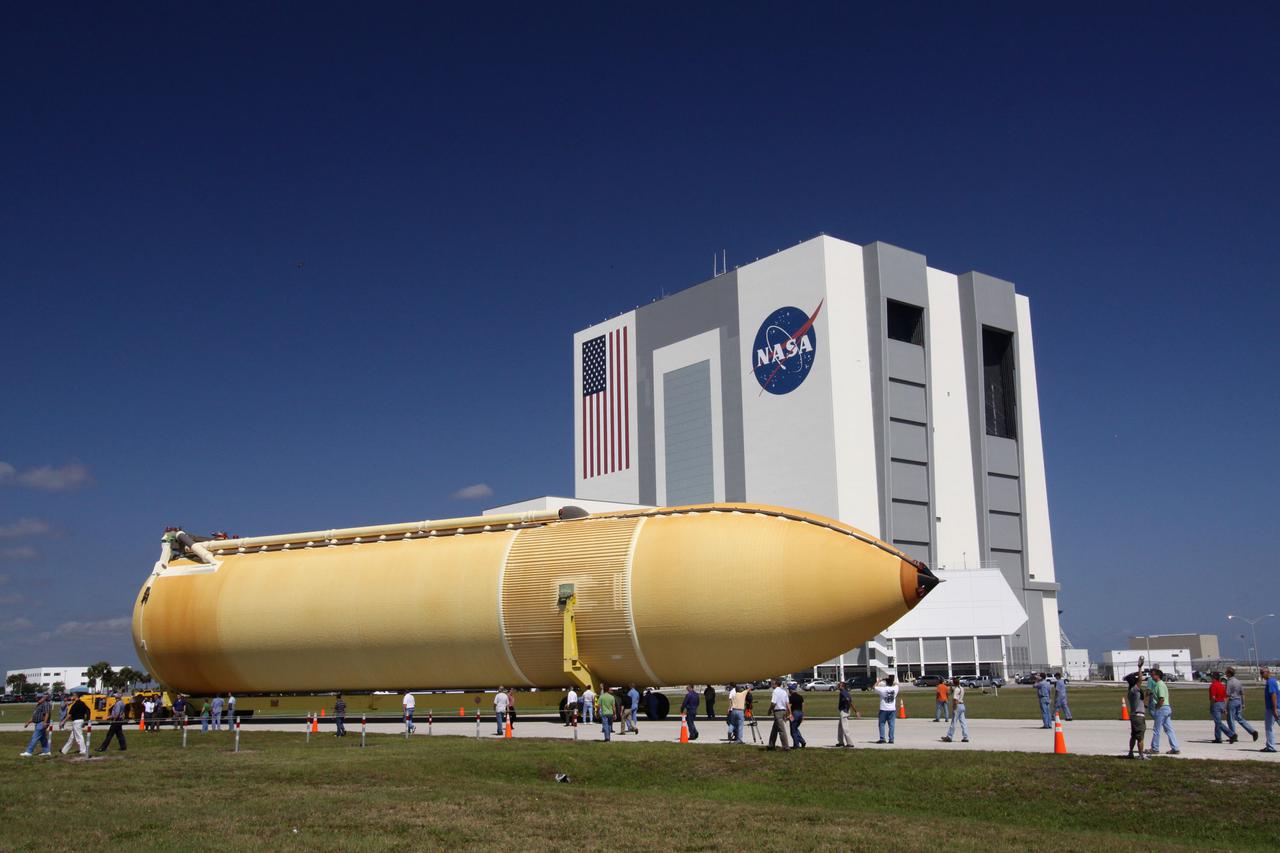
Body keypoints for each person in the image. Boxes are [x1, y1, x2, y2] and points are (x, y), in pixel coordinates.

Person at [1149, 668, 1180, 755]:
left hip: (1162, 708)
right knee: (1169, 729)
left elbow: (1161, 699)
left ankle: (1155, 748)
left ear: (1158, 676)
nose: (1151, 676)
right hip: (1166, 708)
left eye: (1153, 674)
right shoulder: (1158, 685)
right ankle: (1175, 748)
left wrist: (1157, 708)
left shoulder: (1160, 685)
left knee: (1156, 729)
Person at [1225, 666, 1259, 743]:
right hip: (1238, 701)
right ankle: (1252, 731)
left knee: (1230, 719)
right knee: (1239, 718)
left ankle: (1233, 735)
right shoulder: (1238, 681)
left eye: (1226, 672)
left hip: (1232, 701)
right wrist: (1243, 703)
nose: (1225, 674)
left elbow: (1227, 694)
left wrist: (1225, 706)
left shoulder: (1229, 682)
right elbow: (1242, 693)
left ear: (1229, 673)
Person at [1125, 673, 1147, 759]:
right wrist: (1140, 668)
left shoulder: (1131, 691)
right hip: (1138, 717)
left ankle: (1131, 752)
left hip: (1134, 716)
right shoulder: (1134, 689)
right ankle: (1141, 755)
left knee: (1133, 736)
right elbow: (1140, 681)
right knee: (1140, 737)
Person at [940, 677, 969, 743]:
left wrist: (954, 708)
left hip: (957, 706)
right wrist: (951, 688)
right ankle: (965, 737)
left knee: (953, 722)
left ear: (954, 682)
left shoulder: (956, 689)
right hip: (962, 705)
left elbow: (955, 700)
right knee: (963, 722)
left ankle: (949, 736)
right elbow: (951, 693)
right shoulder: (961, 688)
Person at [766, 678, 792, 751]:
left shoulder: (775, 691)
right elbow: (787, 703)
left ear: (776, 684)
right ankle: (771, 745)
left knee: (781, 730)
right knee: (774, 729)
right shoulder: (784, 692)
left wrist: (769, 710)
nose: (771, 684)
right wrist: (789, 712)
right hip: (783, 711)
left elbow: (773, 703)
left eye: (772, 683)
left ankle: (786, 747)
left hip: (778, 712)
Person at [874, 676, 899, 744]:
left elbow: (874, 687)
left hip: (883, 709)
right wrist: (890, 680)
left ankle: (882, 738)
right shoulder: (895, 689)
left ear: (886, 683)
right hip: (892, 709)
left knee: (882, 724)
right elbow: (896, 684)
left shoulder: (883, 689)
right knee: (891, 725)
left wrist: (880, 680)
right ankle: (891, 739)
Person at [1208, 673, 1232, 744]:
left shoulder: (1213, 685)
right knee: (1217, 722)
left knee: (1218, 722)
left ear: (1214, 678)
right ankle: (1218, 738)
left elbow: (1213, 697)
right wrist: (1224, 707)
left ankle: (1231, 734)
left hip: (1216, 704)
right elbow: (1225, 697)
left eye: (1212, 677)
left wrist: (1211, 705)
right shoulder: (1222, 685)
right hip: (1222, 703)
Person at [835, 681, 858, 747]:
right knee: (840, 728)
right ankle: (841, 742)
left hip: (844, 712)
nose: (838, 686)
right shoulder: (844, 693)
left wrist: (856, 711)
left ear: (842, 686)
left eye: (839, 685)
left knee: (845, 728)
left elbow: (849, 701)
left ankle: (850, 743)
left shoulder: (843, 693)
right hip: (843, 711)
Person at [1263, 665, 1279, 753]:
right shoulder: (1273, 681)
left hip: (1272, 709)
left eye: (1263, 673)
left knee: (1269, 728)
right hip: (1274, 707)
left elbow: (1273, 695)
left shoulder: (1270, 682)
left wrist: (1274, 709)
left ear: (1268, 672)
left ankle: (1270, 747)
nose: (1261, 675)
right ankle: (1269, 745)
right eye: (1261, 673)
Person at [787, 683, 808, 748]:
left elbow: (789, 706)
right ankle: (802, 741)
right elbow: (803, 706)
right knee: (795, 728)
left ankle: (796, 745)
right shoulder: (800, 697)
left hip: (794, 714)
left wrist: (790, 714)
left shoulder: (791, 697)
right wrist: (803, 716)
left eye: (789, 689)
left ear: (791, 690)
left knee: (793, 731)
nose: (788, 691)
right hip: (800, 713)